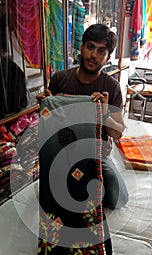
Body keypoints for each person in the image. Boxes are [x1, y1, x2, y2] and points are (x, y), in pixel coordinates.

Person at [37, 23, 128, 210]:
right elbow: (48, 120)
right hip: (62, 151)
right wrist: (43, 105)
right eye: (90, 47)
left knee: (118, 197)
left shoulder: (110, 87)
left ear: (108, 57)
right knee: (53, 193)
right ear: (82, 48)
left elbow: (117, 133)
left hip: (95, 155)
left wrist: (103, 114)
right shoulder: (60, 79)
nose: (93, 55)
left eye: (101, 51)